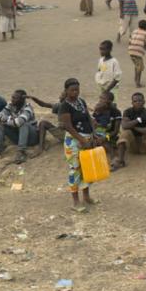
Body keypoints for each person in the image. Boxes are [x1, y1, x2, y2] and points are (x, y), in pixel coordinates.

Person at [56, 78, 97, 211]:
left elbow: (89, 118)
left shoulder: (81, 101)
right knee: (75, 170)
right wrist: (82, 140)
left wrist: (94, 133)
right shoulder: (64, 106)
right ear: (66, 91)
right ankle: (75, 201)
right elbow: (68, 126)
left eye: (77, 90)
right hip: (73, 141)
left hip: (86, 138)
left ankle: (86, 196)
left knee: (86, 168)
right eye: (72, 90)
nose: (75, 92)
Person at [114, 92, 146, 170]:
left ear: (144, 102)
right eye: (135, 101)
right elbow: (124, 126)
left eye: (140, 101)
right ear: (132, 103)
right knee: (125, 133)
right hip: (132, 146)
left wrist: (134, 127)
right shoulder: (127, 112)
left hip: (144, 145)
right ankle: (120, 160)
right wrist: (136, 121)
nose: (137, 103)